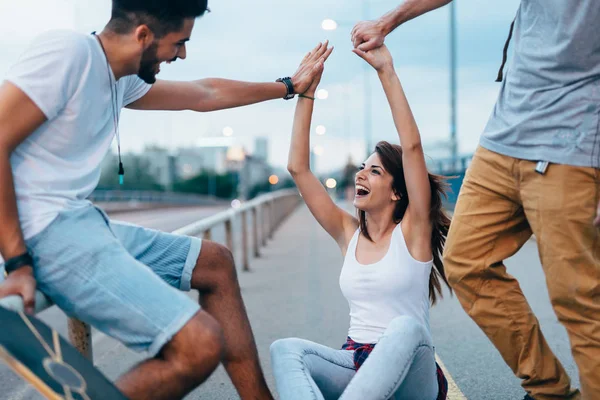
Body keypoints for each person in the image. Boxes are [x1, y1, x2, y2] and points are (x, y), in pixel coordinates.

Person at [0, 1, 331, 399]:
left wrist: (289, 86)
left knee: (215, 262)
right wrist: (17, 262)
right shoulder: (69, 55)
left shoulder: (119, 77)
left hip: (82, 222)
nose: (182, 55)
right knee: (198, 344)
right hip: (46, 234)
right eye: (179, 43)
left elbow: (204, 92)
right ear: (143, 35)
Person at [352, 1, 600, 399]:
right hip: (503, 137)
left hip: (569, 145)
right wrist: (388, 20)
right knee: (466, 261)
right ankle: (548, 391)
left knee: (577, 296)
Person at [270, 42, 450, 400]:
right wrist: (306, 95)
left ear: (398, 192)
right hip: (357, 363)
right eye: (362, 168)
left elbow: (412, 148)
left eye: (375, 171)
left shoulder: (414, 233)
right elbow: (299, 168)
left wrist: (386, 71)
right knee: (285, 349)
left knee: (404, 328)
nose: (361, 175)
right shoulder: (347, 233)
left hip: (413, 370)